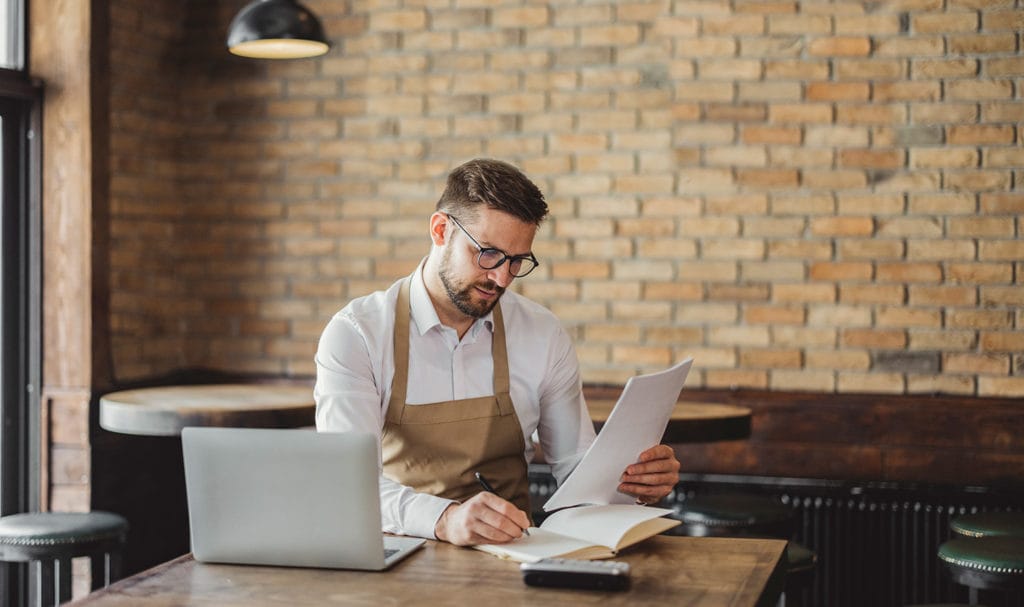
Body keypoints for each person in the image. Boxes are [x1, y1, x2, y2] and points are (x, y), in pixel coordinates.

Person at [314, 158, 680, 546]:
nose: (501, 278)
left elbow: (577, 471)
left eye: (517, 261)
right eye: (488, 253)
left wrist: (631, 484)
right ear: (440, 230)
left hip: (514, 554)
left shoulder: (542, 333)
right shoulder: (358, 334)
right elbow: (347, 483)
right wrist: (445, 519)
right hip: (400, 555)